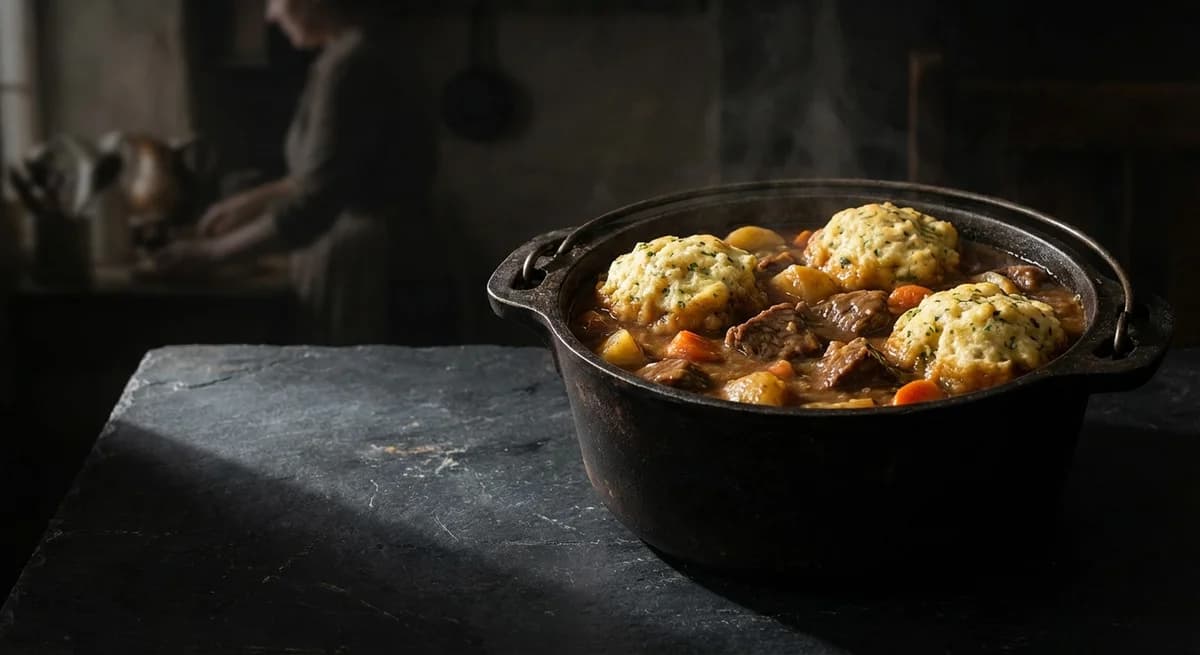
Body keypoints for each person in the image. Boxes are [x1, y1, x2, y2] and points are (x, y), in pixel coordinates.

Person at [155, 0, 447, 345]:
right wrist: (250, 202)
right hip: (378, 253)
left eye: (276, 0)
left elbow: (317, 201)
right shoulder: (358, 52)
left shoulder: (352, 66)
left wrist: (212, 254)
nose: (270, 15)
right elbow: (325, 174)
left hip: (371, 268)